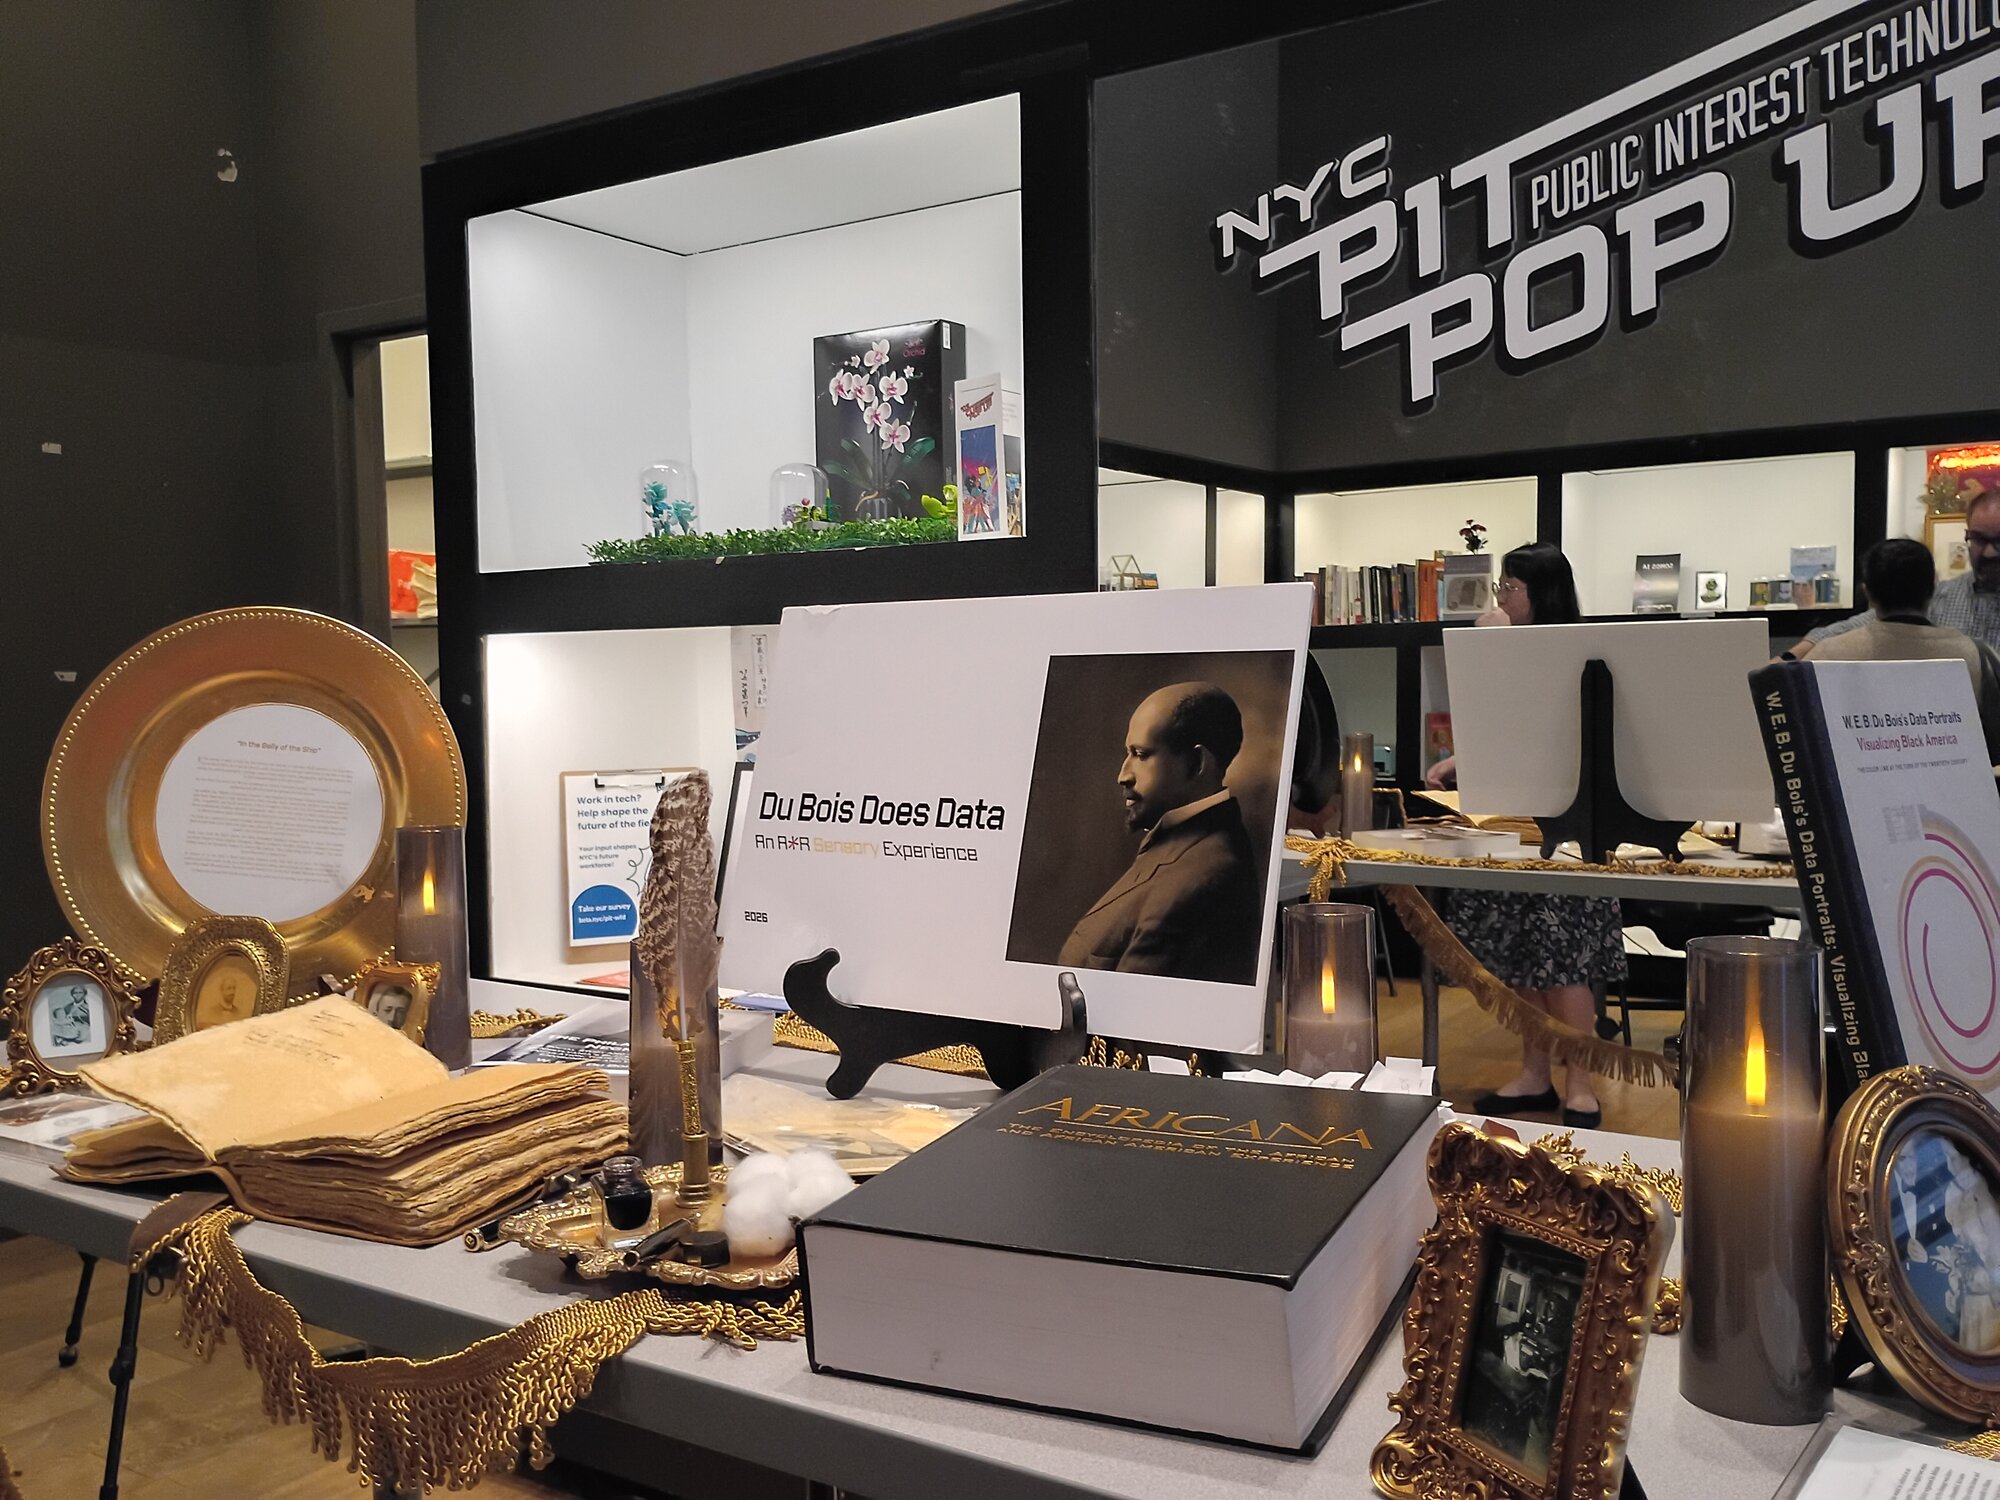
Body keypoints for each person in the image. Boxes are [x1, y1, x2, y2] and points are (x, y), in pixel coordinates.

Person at [1425, 542, 1626, 1128]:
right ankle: (1534, 1073)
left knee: (1564, 961)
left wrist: (1492, 628)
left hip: (1570, 827)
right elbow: (1502, 718)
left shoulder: (1578, 654)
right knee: (1518, 958)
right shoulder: (1511, 648)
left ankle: (1580, 1082)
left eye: (1509, 589)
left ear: (1541, 594)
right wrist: (1461, 758)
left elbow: (1564, 733)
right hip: (1509, 821)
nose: (1500, 601)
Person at [1057, 681, 1263, 984]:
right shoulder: (1179, 844)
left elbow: (1128, 1020)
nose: (1122, 775)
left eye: (1140, 754)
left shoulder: (1200, 881)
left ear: (1195, 763)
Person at [1791, 537, 2000, 762]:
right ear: (1933, 587)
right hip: (1953, 788)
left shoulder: (1826, 657)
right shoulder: (1977, 656)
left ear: (1867, 592)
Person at [1805, 488, 2000, 654]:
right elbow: (1854, 627)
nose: (1989, 553)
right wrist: (1789, 658)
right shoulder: (1941, 597)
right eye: (1979, 539)